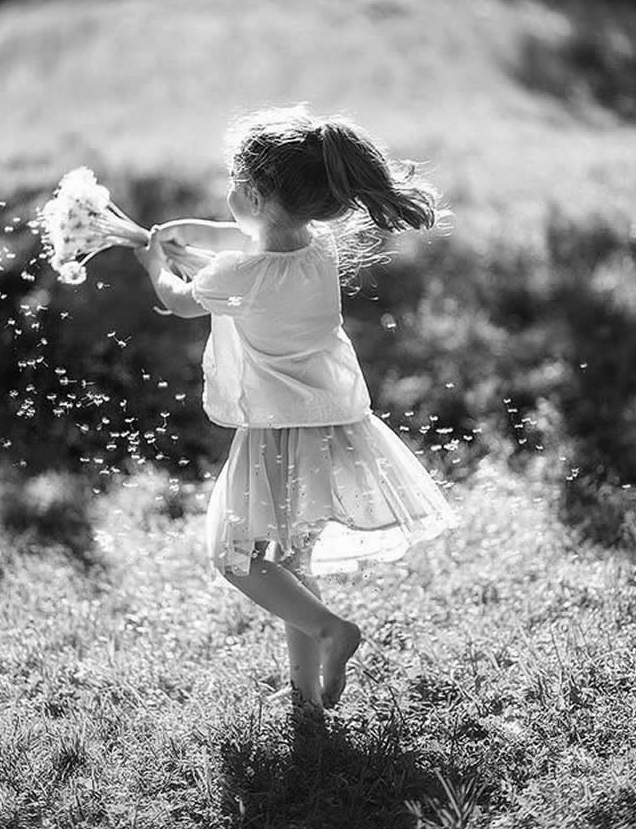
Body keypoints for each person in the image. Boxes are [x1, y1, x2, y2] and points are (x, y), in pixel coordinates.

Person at [135, 104, 462, 716]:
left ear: (254, 194)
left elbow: (180, 301)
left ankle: (334, 631)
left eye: (234, 183)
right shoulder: (317, 247)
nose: (228, 192)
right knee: (290, 561)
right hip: (333, 423)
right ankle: (307, 699)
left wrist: (155, 262)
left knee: (235, 556)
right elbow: (250, 243)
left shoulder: (242, 272)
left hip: (277, 430)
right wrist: (196, 234)